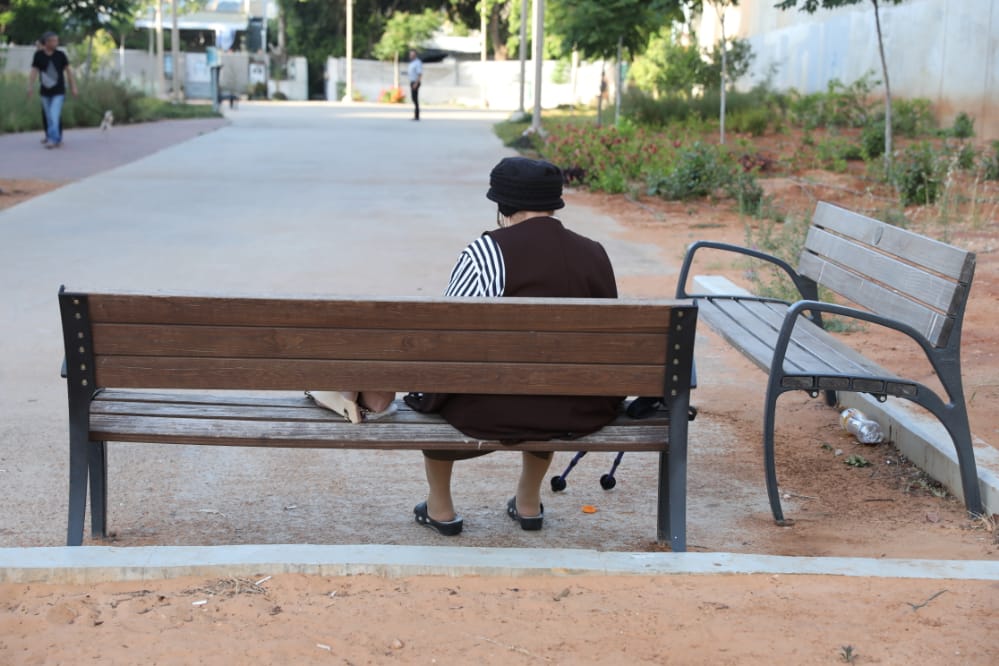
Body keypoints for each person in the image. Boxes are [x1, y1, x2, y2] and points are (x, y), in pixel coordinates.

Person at [410, 157, 623, 536]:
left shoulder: (486, 252)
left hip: (491, 409)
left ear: (501, 207)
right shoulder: (594, 253)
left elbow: (447, 337)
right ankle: (527, 502)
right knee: (551, 379)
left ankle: (440, 508)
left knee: (439, 387)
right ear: (555, 203)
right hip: (577, 407)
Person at [27, 31, 77, 149]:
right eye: (53, 40)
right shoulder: (38, 55)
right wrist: (30, 86)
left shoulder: (60, 55)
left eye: (57, 40)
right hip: (45, 91)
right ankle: (57, 138)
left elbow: (69, 72)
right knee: (49, 117)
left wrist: (73, 87)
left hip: (59, 91)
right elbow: (34, 72)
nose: (56, 43)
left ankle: (52, 139)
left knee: (54, 115)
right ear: (47, 42)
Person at [407, 49, 422, 121]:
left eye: (412, 54)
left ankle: (417, 115)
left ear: (415, 55)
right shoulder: (411, 63)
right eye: (410, 54)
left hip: (415, 82)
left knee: (415, 99)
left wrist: (416, 83)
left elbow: (419, 74)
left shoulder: (417, 63)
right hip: (412, 82)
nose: (411, 56)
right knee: (413, 99)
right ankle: (416, 115)